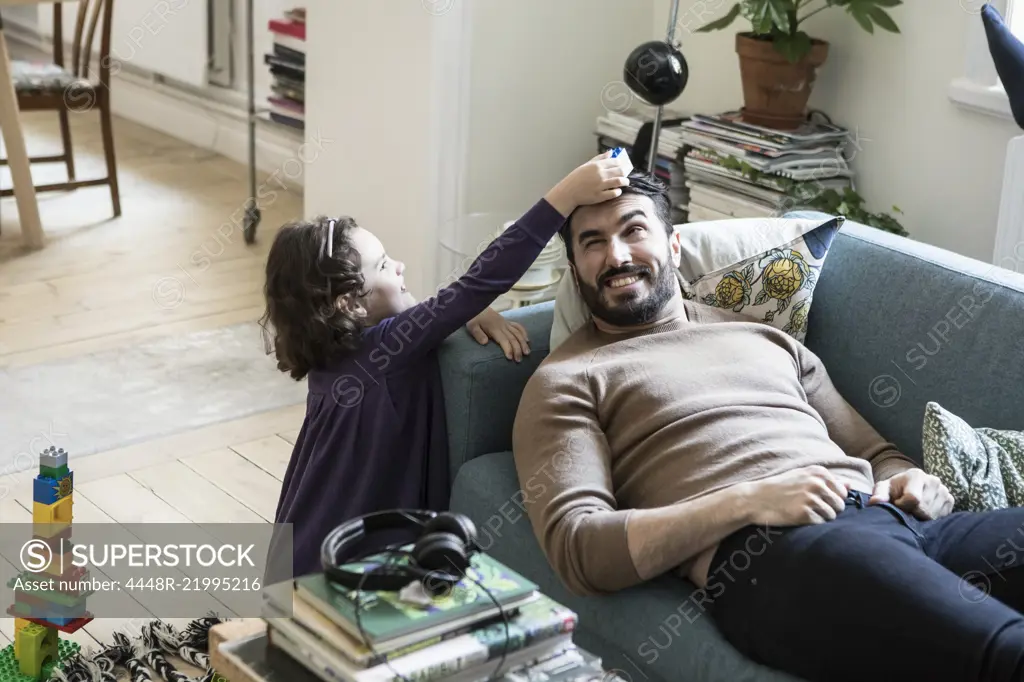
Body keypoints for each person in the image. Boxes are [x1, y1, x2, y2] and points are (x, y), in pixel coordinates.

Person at [512, 171, 1024, 682]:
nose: (618, 257)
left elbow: (875, 449)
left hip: (905, 524)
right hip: (778, 555)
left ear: (672, 243)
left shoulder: (764, 336)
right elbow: (579, 549)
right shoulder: (566, 379)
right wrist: (748, 500)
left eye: (633, 231)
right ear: (575, 267)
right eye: (593, 243)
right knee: (1004, 651)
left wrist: (909, 478)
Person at [259, 150, 631, 578]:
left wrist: (459, 312)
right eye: (382, 266)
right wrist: (565, 196)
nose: (399, 266)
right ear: (349, 304)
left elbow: (447, 304)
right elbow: (482, 281)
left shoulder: (338, 350)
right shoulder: (386, 349)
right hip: (336, 567)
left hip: (300, 549)